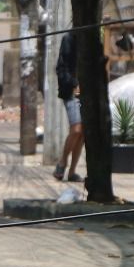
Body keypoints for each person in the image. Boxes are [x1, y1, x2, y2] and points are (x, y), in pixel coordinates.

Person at [53, 33, 83, 182]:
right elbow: (61, 68)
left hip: (88, 93)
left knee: (82, 133)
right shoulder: (69, 39)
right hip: (72, 91)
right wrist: (74, 83)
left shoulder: (93, 41)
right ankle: (62, 161)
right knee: (76, 128)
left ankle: (72, 171)